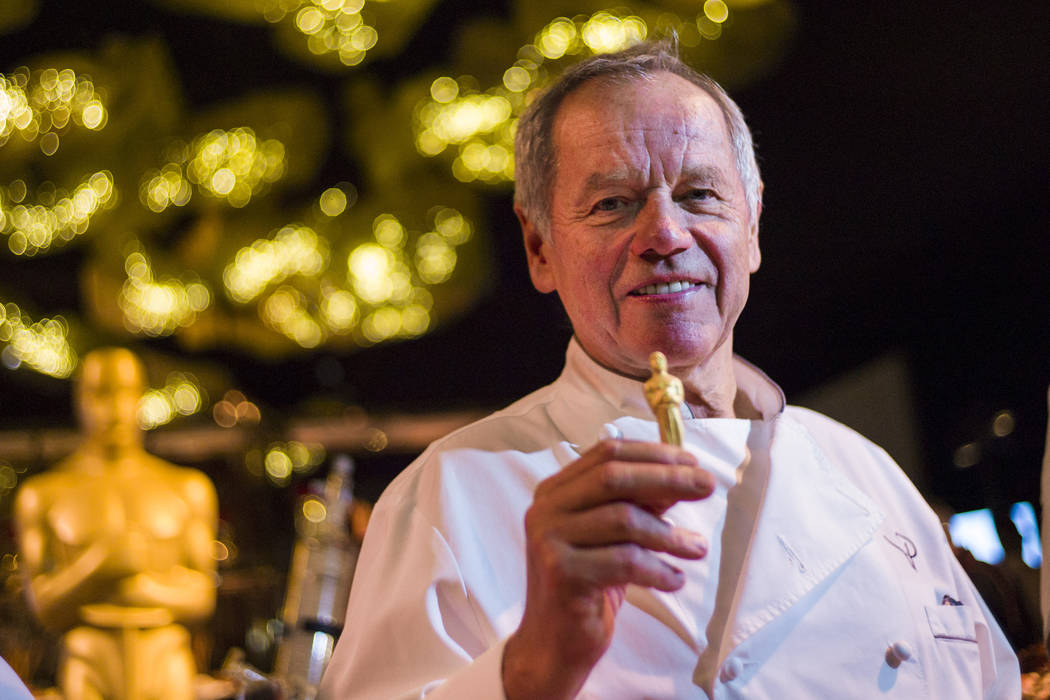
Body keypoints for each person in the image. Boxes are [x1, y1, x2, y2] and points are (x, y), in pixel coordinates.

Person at [319, 42, 1019, 698]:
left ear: (752, 227)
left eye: (699, 195)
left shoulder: (862, 469)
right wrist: (529, 669)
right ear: (539, 248)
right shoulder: (448, 496)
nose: (663, 234)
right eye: (612, 204)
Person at [13, 347, 218, 700]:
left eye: (126, 392)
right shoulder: (43, 495)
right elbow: (44, 606)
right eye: (101, 393)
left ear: (140, 396)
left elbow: (202, 596)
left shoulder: (188, 489)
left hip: (164, 657)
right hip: (89, 658)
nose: (115, 409)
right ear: (80, 400)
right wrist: (100, 564)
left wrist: (140, 587)